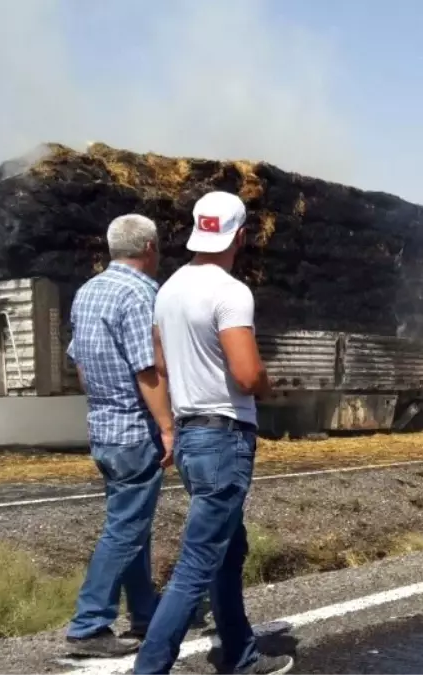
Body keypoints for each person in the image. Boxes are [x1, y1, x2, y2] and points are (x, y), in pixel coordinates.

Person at [134, 192, 293, 675]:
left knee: (229, 549)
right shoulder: (230, 292)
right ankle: (150, 666)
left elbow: (159, 366)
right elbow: (246, 376)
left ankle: (240, 655)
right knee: (197, 564)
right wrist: (270, 386)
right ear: (239, 236)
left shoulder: (167, 290)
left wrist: (168, 427)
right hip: (225, 437)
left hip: (191, 435)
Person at [64, 214, 174, 658]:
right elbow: (148, 370)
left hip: (103, 428)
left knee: (134, 527)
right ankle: (90, 624)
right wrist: (167, 427)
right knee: (126, 528)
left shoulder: (88, 291)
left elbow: (81, 363)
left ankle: (146, 613)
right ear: (149, 248)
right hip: (134, 431)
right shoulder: (143, 294)